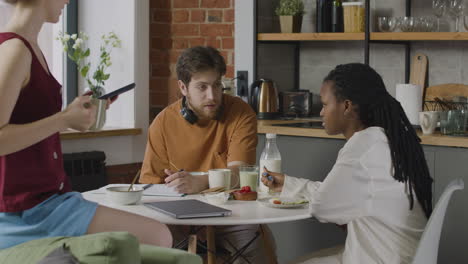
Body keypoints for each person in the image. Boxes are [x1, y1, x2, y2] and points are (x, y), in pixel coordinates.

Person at [0, 0, 172, 250]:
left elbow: (29, 124)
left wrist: (75, 115)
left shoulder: (30, 47)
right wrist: (63, 119)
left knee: (157, 236)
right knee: (156, 237)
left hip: (50, 199)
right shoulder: (15, 49)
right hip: (25, 211)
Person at [261, 63, 433, 264]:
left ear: (347, 106)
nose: (321, 113)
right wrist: (288, 184)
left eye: (325, 104)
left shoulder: (362, 145)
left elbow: (321, 206)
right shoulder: (384, 140)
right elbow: (338, 196)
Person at [140, 46, 276, 264]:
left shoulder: (241, 113)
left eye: (216, 86)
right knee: (149, 245)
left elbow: (241, 173)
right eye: (202, 87)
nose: (212, 96)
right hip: (178, 218)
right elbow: (148, 186)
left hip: (232, 211)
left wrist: (201, 182)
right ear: (183, 88)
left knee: (254, 241)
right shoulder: (162, 123)